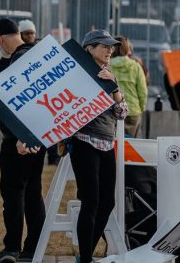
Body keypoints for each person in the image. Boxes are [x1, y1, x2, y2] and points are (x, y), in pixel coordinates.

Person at [0, 19, 44, 263]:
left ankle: (11, 247)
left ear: (0, 38)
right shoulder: (39, 54)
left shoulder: (10, 62)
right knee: (33, 192)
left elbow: (15, 104)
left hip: (18, 141)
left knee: (13, 193)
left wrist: (18, 136)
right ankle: (33, 247)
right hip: (40, 137)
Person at [71, 30, 128, 263]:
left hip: (106, 142)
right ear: (89, 48)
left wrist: (113, 88)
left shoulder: (109, 75)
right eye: (104, 46)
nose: (109, 50)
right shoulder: (77, 75)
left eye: (111, 47)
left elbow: (123, 112)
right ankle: (85, 258)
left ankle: (84, 256)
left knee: (108, 202)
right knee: (91, 200)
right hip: (84, 141)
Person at [112, 36, 148, 137]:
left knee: (116, 145)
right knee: (132, 145)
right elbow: (143, 91)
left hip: (114, 111)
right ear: (127, 48)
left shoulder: (107, 66)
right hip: (133, 111)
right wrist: (141, 108)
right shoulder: (136, 66)